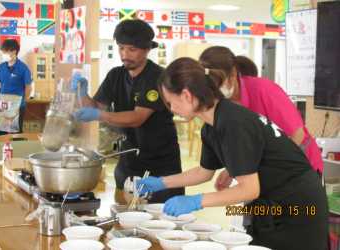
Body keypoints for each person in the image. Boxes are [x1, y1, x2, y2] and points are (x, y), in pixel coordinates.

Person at [138, 57, 328, 250]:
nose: (171, 110)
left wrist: (197, 201)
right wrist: (160, 183)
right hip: (271, 200)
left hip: (299, 204)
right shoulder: (211, 126)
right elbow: (204, 172)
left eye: (170, 102)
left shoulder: (233, 121)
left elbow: (248, 189)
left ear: (186, 95)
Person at [72, 19, 183, 203]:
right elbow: (96, 107)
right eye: (121, 48)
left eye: (132, 49)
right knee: (125, 217)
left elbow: (137, 118)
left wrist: (100, 116)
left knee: (163, 221)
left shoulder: (157, 77)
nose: (125, 55)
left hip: (160, 164)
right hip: (128, 161)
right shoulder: (116, 75)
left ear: (147, 49)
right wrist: (82, 94)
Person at [198, 46, 323, 192]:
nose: (216, 90)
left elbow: (297, 135)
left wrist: (256, 168)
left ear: (232, 74)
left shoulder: (264, 90)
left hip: (299, 168)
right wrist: (233, 169)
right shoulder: (222, 105)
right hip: (265, 176)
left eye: (219, 83)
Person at [0, 39, 32, 134]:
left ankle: (16, 148)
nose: (3, 53)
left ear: (14, 51)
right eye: (3, 51)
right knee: (1, 130)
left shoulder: (23, 68)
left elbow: (28, 87)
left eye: (5, 51)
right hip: (3, 104)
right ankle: (2, 148)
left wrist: (23, 102)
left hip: (17, 105)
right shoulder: (2, 66)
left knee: (15, 131)